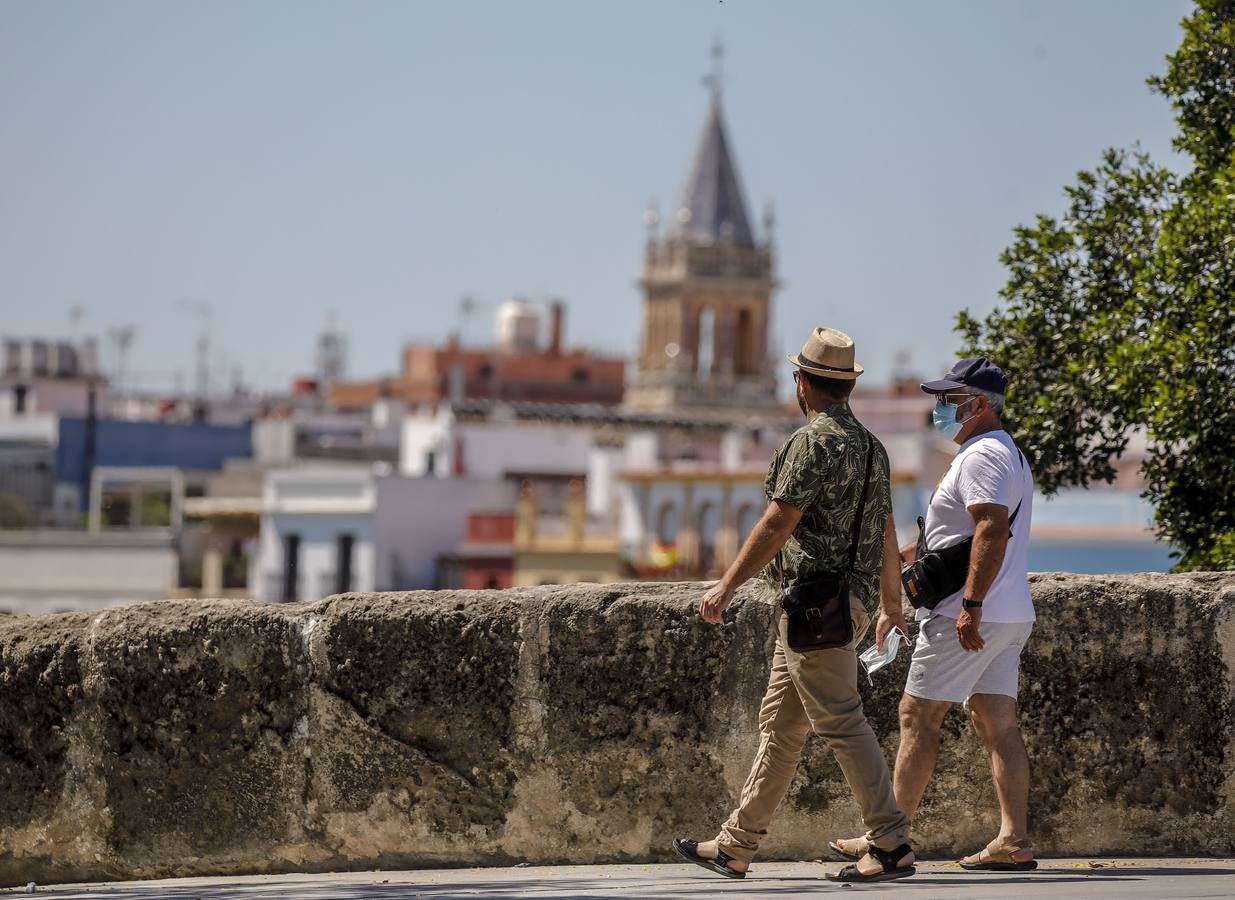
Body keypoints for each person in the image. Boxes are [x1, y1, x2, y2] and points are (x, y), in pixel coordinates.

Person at [671, 327, 916, 884]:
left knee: (843, 722)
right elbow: (884, 528)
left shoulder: (813, 443)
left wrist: (726, 586)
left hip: (812, 606)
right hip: (840, 606)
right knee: (780, 727)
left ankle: (893, 842)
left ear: (803, 382)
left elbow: (780, 519)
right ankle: (735, 846)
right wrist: (889, 603)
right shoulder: (872, 448)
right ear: (846, 385)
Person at [831, 356, 1038, 871]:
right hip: (1007, 613)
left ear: (979, 404)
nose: (940, 408)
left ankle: (890, 840)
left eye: (950, 399)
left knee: (918, 716)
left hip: (966, 616)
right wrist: (901, 573)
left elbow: (991, 528)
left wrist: (969, 605)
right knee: (997, 722)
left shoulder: (982, 456)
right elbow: (949, 539)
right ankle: (1012, 840)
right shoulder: (1003, 452)